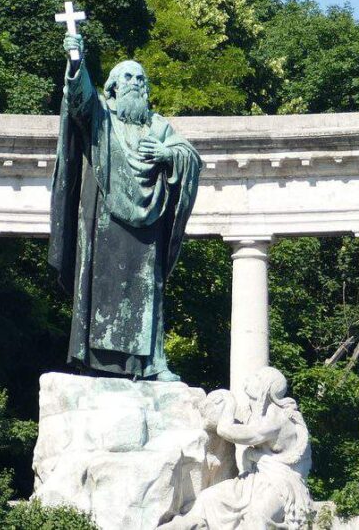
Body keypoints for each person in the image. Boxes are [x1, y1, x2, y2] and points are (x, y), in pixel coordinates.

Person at [48, 33, 200, 381]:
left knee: (149, 288)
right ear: (113, 87)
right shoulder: (102, 118)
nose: (135, 83)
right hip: (103, 221)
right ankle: (93, 362)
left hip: (148, 227)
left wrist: (167, 154)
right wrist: (76, 62)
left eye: (140, 78)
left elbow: (191, 157)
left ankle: (152, 363)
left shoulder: (159, 126)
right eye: (127, 77)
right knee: (98, 286)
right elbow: (79, 101)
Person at [158, 367, 313, 529]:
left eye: (256, 377)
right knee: (208, 497)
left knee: (256, 517)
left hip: (279, 484)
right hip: (255, 480)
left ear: (265, 387)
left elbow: (228, 431)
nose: (248, 380)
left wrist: (229, 403)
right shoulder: (258, 414)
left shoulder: (275, 418)